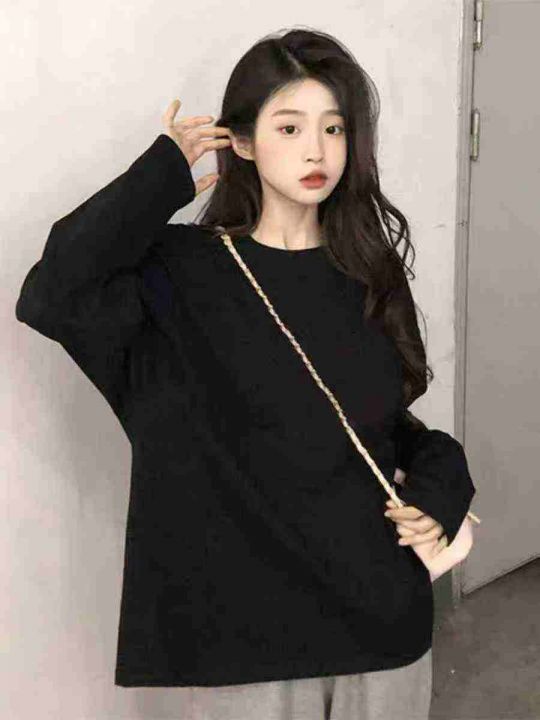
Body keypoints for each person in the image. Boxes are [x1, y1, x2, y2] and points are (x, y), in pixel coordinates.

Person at [15, 27, 476, 720]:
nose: (317, 150)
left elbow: (384, 429)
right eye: (289, 127)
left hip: (382, 626)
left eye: (333, 128)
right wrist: (162, 173)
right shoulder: (181, 273)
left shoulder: (370, 272)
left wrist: (443, 486)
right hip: (244, 645)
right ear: (244, 141)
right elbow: (52, 292)